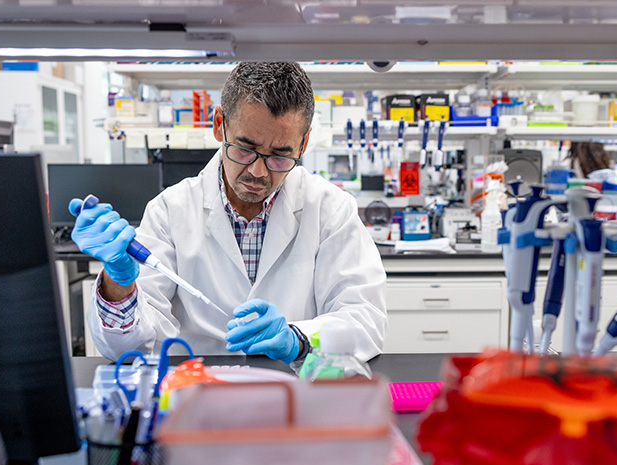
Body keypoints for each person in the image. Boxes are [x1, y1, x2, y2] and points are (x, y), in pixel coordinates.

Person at [70, 62, 387, 364]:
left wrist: (299, 338)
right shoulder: (170, 210)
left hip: (294, 398)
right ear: (219, 124)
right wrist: (118, 283)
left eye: (280, 155)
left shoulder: (331, 210)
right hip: (199, 398)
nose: (259, 172)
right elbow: (130, 348)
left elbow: (365, 319)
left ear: (303, 145)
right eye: (246, 149)